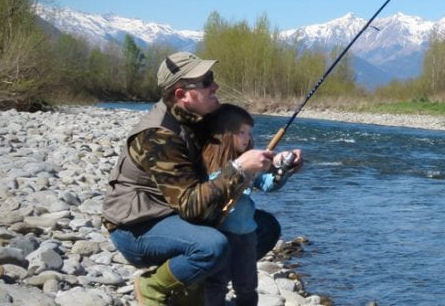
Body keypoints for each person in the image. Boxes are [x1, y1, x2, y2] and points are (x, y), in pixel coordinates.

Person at [102, 52, 298, 305]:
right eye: (205, 82)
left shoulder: (200, 117)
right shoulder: (157, 136)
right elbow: (192, 207)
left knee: (265, 227)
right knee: (212, 247)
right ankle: (153, 285)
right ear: (181, 94)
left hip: (174, 215)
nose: (215, 85)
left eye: (212, 78)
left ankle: (195, 281)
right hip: (137, 227)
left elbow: (235, 154)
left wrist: (280, 165)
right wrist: (239, 169)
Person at [199, 104, 301, 306]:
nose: (247, 138)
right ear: (224, 135)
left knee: (247, 284)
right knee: (217, 283)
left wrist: (282, 172)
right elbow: (212, 187)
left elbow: (266, 184)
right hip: (222, 235)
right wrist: (242, 170)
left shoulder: (248, 163)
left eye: (249, 133)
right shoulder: (214, 165)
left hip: (247, 235)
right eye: (241, 132)